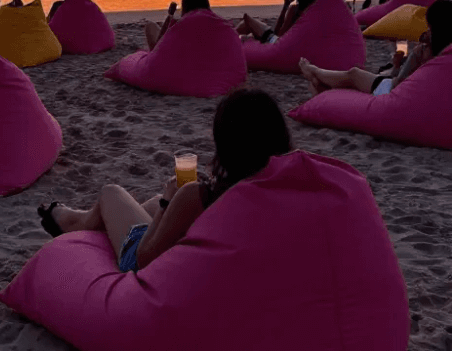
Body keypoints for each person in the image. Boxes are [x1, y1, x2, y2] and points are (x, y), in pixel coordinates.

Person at [37, 88, 292, 272]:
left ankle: (72, 221)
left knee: (111, 193)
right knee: (150, 203)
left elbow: (144, 259)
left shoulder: (200, 196)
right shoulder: (283, 187)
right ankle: (84, 222)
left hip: (144, 263)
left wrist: (170, 201)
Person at [299, 0, 452, 97]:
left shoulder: (423, 51)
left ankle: (313, 70)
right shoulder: (446, 51)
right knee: (333, 86)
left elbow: (398, 83)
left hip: (388, 90)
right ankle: (317, 81)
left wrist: (398, 64)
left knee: (354, 73)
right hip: (405, 90)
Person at [236, 0, 323, 43]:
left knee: (247, 21)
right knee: (256, 25)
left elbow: (279, 34)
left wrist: (285, 8)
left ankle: (227, 40)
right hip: (296, 45)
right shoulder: (316, 12)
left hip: (278, 44)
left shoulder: (295, 10)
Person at [144, 0, 210, 51]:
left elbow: (158, 46)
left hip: (171, 55)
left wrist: (170, 15)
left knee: (150, 25)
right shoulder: (215, 23)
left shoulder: (180, 25)